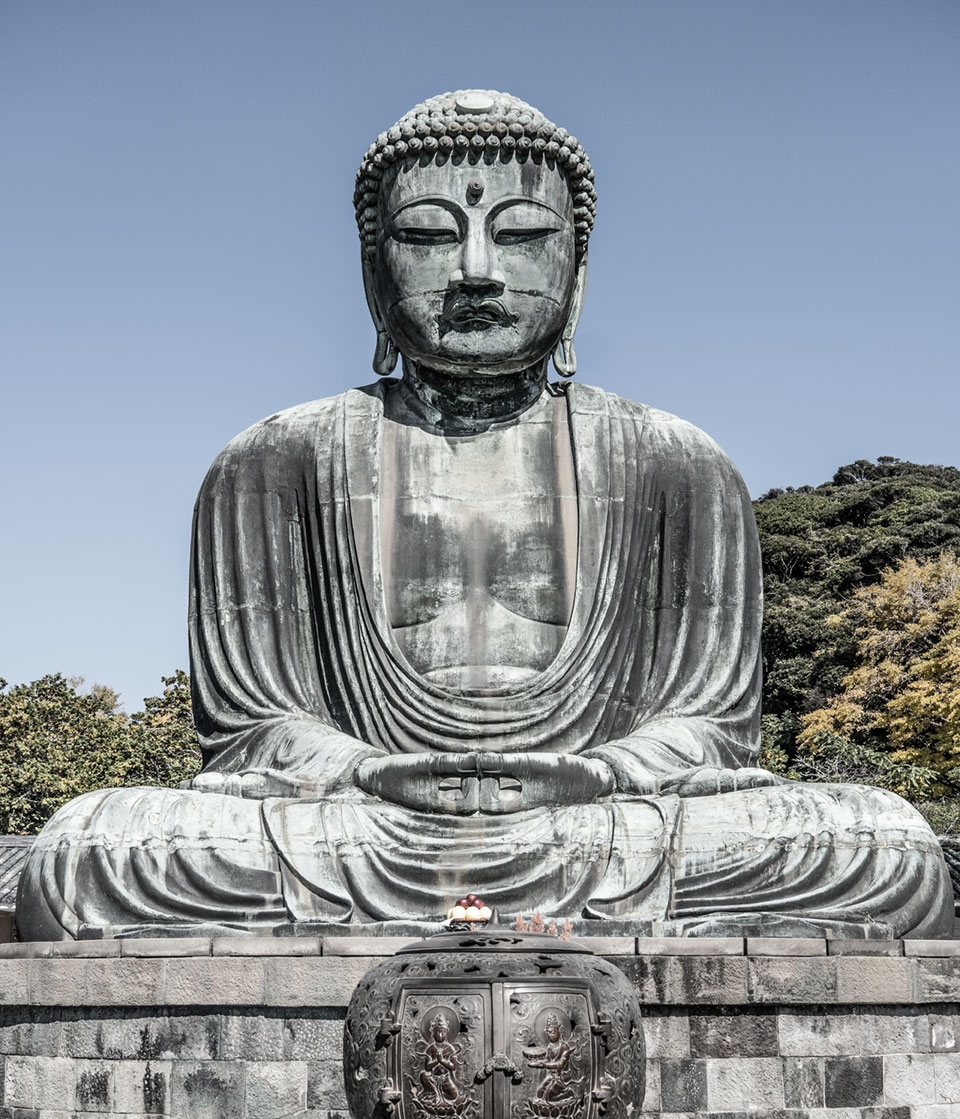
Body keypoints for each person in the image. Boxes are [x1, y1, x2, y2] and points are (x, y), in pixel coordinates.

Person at [17, 89, 952, 940]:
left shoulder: (677, 464)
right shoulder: (274, 462)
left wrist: (601, 773)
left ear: (576, 269)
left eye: (520, 235)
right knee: (93, 850)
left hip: (605, 821)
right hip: (360, 822)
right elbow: (252, 727)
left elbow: (710, 728)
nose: (474, 271)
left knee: (879, 845)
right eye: (427, 236)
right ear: (372, 272)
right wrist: (366, 771)